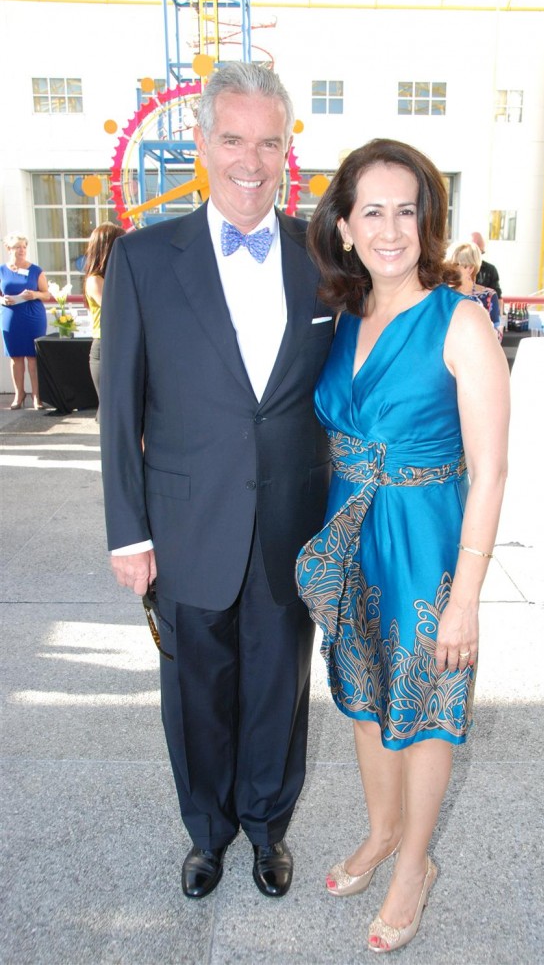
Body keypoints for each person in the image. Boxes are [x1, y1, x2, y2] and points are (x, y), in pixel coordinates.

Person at [100, 63, 333, 901]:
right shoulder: (142, 258)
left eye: (268, 142)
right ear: (201, 143)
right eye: (233, 139)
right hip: (185, 523)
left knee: (279, 686)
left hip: (291, 522)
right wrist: (129, 531)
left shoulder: (323, 257)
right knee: (196, 693)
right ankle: (208, 833)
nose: (250, 160)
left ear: (286, 148)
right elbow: (119, 405)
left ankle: (268, 826)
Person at [297, 139, 510, 953]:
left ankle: (413, 864)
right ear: (344, 227)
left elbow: (491, 471)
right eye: (373, 212)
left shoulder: (461, 321)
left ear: (428, 221)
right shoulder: (341, 317)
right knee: (360, 701)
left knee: (423, 717)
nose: (391, 229)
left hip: (427, 548)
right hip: (353, 536)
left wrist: (466, 599)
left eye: (407, 211)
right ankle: (382, 831)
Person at [83, 222, 126, 426]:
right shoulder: (95, 280)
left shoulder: (116, 275)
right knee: (110, 408)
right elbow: (117, 308)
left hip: (120, 343)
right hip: (105, 345)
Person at [1, 232, 49, 409]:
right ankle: (19, 394)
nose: (21, 250)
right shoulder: (1, 270)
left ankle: (37, 396)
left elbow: (46, 294)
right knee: (15, 357)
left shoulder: (36, 270)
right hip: (11, 316)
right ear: (8, 248)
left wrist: (34, 294)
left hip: (32, 315)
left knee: (33, 357)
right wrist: (2, 300)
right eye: (17, 247)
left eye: (24, 247)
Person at [446, 240, 503, 340]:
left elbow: (497, 336)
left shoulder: (488, 296)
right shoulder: (443, 295)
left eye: (455, 264)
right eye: (447, 264)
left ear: (470, 268)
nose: (449, 269)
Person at [470, 230, 503, 305]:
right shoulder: (457, 268)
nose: (478, 256)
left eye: (481, 252)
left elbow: (498, 297)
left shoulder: (490, 270)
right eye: (474, 252)